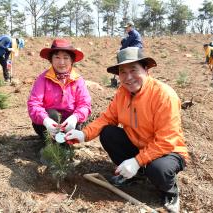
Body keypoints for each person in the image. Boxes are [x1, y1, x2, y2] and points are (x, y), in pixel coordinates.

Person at [65, 47, 188, 213]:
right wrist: (84, 134)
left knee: (158, 169)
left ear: (146, 69)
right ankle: (136, 175)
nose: (128, 77)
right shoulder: (122, 93)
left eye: (133, 70)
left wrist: (137, 161)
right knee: (108, 132)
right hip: (139, 145)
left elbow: (167, 140)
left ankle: (170, 191)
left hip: (168, 151)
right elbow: (107, 118)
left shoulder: (164, 96)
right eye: (122, 72)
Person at [27, 38, 91, 142]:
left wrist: (75, 117)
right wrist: (45, 120)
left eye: (66, 58)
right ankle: (51, 145)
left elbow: (85, 105)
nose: (61, 62)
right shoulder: (43, 79)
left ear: (72, 60)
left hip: (70, 123)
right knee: (52, 114)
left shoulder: (78, 80)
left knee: (75, 126)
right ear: (51, 60)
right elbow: (33, 104)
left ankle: (65, 145)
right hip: (47, 125)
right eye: (57, 57)